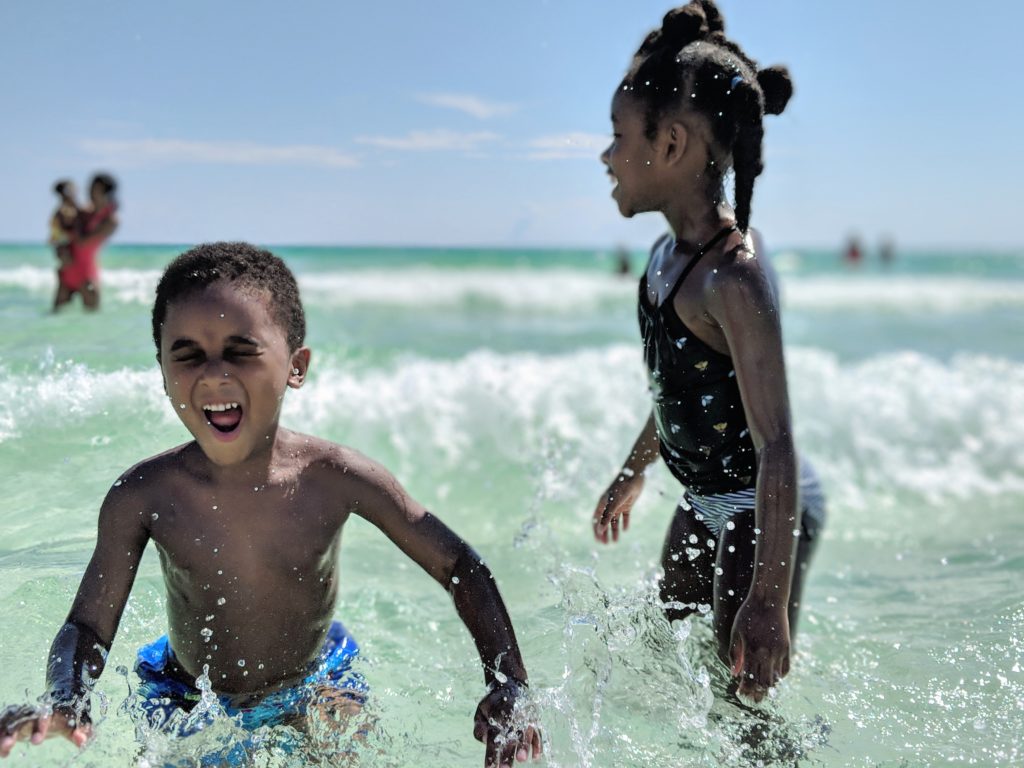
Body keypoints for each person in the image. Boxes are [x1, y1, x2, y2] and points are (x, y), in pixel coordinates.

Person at [0, 242, 542, 767]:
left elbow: (457, 564)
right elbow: (89, 628)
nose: (214, 374)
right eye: (187, 355)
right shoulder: (143, 495)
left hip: (315, 679)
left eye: (241, 351)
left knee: (344, 744)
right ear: (163, 371)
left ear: (295, 366)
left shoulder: (336, 477)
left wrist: (509, 683)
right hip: (189, 693)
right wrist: (66, 697)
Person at [592, 0, 826, 704]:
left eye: (618, 135)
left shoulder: (734, 277)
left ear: (670, 146)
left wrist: (770, 598)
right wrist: (634, 471)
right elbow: (677, 391)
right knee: (668, 660)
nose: (606, 154)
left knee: (740, 699)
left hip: (764, 505)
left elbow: (777, 442)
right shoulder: (665, 259)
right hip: (701, 501)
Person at [53, 172, 119, 311]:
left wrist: (72, 213)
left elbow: (83, 242)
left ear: (106, 193)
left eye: (95, 190)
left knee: (92, 325)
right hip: (67, 269)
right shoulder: (83, 211)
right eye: (90, 188)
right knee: (52, 319)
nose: (90, 192)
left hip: (86, 275)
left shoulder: (110, 220)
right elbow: (59, 228)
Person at [48, 179, 79, 273]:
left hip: (62, 246)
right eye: (73, 190)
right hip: (65, 247)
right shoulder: (65, 210)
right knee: (70, 272)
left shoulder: (62, 209)